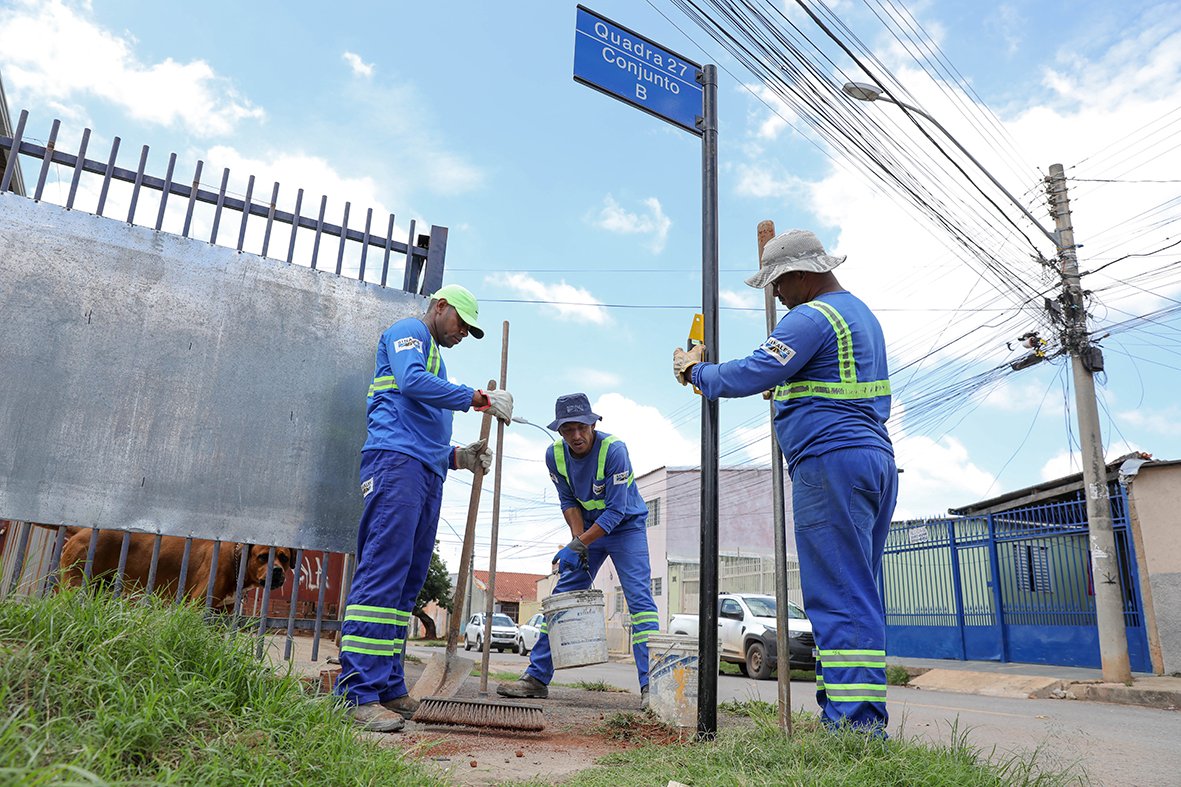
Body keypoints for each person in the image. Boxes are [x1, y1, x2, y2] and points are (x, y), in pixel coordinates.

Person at [672, 229, 897, 733]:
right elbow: (831, 384)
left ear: (801, 274)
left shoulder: (811, 316)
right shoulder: (858, 313)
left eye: (776, 283)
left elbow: (752, 370)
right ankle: (848, 714)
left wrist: (697, 371)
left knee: (838, 597)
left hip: (830, 463)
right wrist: (791, 394)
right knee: (855, 595)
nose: (775, 294)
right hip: (870, 460)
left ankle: (856, 728)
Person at [335, 283, 514, 733]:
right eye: (461, 324)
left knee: (406, 586)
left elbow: (424, 431)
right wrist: (480, 399)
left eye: (471, 332)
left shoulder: (437, 357)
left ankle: (389, 687)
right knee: (382, 574)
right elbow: (411, 383)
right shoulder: (408, 331)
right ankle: (356, 692)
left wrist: (459, 457)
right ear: (441, 307)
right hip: (395, 464)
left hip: (423, 470)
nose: (462, 335)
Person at [497, 393, 658, 709]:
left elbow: (615, 511)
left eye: (582, 427)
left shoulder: (615, 451)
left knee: (640, 601)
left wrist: (580, 542)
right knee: (562, 599)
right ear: (559, 430)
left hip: (625, 528)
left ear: (593, 423)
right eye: (568, 429)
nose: (576, 436)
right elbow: (568, 501)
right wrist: (577, 542)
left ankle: (652, 686)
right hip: (586, 529)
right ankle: (536, 679)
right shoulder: (554, 456)